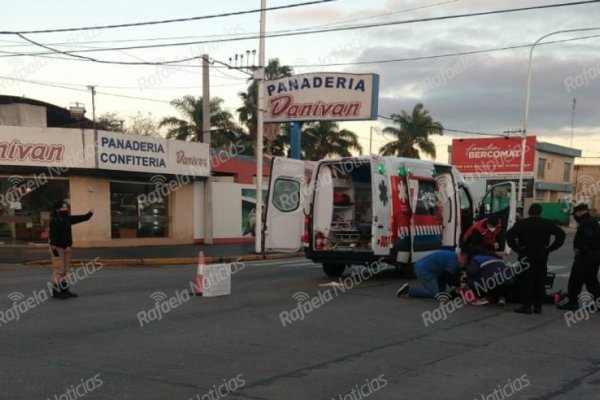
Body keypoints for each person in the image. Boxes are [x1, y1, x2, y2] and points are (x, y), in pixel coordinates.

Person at [506, 203, 566, 314]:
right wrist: (551, 248)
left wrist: (516, 248)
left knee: (526, 280)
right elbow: (561, 235)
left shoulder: (522, 224)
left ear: (529, 212)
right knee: (539, 280)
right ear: (540, 212)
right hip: (541, 254)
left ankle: (527, 305)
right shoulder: (547, 223)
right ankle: (538, 306)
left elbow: (509, 235)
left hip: (526, 254)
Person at [557, 203, 600, 311]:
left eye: (575, 214)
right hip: (594, 256)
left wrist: (579, 248)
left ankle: (573, 303)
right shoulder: (592, 222)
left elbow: (588, 236)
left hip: (586, 256)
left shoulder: (586, 223)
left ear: (580, 213)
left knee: (575, 280)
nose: (575, 217)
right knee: (591, 281)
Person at [48, 200, 94, 299]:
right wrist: (65, 246)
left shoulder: (67, 219)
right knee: (58, 270)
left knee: (65, 270)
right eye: (63, 207)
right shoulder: (55, 221)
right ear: (57, 209)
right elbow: (55, 237)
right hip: (57, 247)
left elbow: (80, 218)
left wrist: (89, 214)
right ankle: (56, 292)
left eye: (66, 207)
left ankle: (64, 289)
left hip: (66, 248)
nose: (65, 209)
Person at [396, 250, 466, 300]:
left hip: (423, 267)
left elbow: (446, 275)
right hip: (424, 271)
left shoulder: (452, 255)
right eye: (462, 262)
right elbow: (448, 276)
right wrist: (458, 285)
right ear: (460, 257)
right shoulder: (453, 261)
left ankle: (437, 290)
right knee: (434, 294)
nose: (461, 264)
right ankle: (409, 290)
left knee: (442, 293)